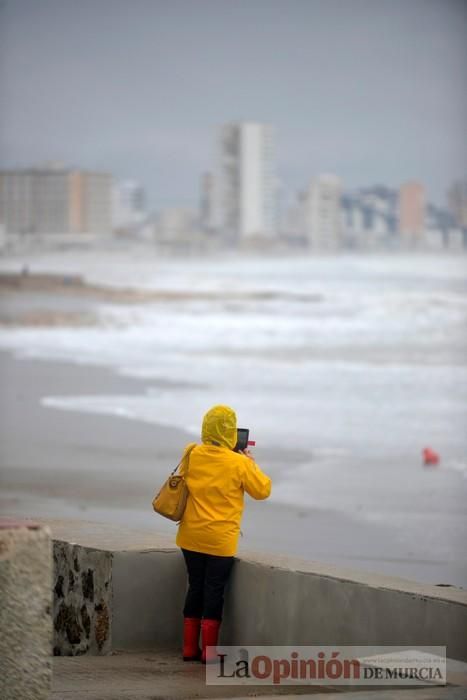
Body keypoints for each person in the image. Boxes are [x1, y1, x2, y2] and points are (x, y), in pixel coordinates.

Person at [176, 404, 271, 663]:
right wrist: (250, 462)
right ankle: (209, 652)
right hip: (220, 541)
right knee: (214, 591)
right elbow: (263, 490)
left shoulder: (191, 452)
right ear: (231, 432)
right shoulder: (239, 463)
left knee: (195, 587)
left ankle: (188, 648)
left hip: (190, 536)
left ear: (206, 427)